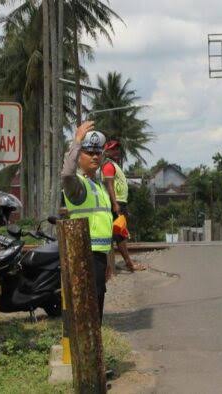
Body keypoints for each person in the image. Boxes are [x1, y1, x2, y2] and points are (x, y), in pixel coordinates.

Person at [61, 121, 113, 320]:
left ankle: (92, 349)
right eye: (89, 152)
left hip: (98, 256)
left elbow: (104, 226)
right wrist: (76, 141)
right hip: (84, 253)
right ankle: (87, 351)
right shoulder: (78, 186)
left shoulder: (98, 186)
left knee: (96, 306)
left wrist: (108, 259)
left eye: (98, 153)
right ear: (79, 156)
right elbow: (67, 174)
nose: (95, 156)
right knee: (88, 310)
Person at [101, 140, 146, 272]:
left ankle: (119, 265)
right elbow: (109, 185)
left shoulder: (113, 164)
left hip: (120, 202)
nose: (117, 151)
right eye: (113, 149)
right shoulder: (108, 165)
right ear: (107, 151)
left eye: (117, 149)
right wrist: (115, 204)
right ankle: (129, 264)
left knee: (120, 234)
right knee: (120, 235)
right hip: (117, 203)